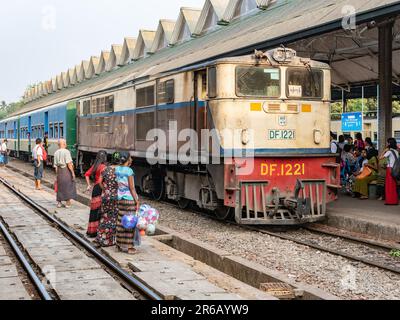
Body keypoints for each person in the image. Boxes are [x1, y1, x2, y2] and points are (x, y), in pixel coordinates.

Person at [115, 152, 140, 254]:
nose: (132, 159)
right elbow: (132, 188)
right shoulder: (129, 171)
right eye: (130, 158)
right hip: (129, 199)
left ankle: (119, 244)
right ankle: (130, 247)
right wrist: (137, 201)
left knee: (121, 221)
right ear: (127, 159)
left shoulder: (117, 169)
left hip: (120, 198)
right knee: (130, 222)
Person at [96, 152, 121, 247]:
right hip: (116, 196)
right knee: (114, 218)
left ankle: (101, 238)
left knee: (104, 217)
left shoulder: (105, 169)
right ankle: (111, 240)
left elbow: (99, 182)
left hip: (106, 196)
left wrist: (105, 190)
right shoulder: (119, 170)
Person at [85, 150, 108, 238]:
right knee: (102, 211)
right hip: (102, 188)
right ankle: (100, 231)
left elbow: (87, 174)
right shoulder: (105, 167)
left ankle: (92, 231)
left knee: (94, 211)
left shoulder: (95, 166)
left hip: (95, 189)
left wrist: (88, 185)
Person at [54, 139, 77, 208]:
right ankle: (67, 203)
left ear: (58, 145)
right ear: (64, 144)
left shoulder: (56, 152)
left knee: (60, 187)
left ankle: (59, 203)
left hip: (59, 171)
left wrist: (57, 174)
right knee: (68, 186)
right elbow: (69, 164)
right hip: (66, 171)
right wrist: (73, 173)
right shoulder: (67, 152)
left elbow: (55, 166)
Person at [379, 138, 399, 205]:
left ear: (389, 143)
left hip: (389, 169)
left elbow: (380, 157)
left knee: (389, 186)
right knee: (393, 185)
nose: (387, 144)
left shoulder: (389, 151)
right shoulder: (396, 151)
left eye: (387, 143)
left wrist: (384, 150)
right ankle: (394, 200)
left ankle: (390, 201)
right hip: (395, 170)